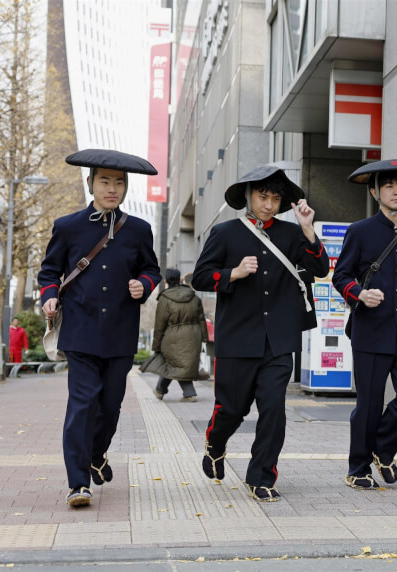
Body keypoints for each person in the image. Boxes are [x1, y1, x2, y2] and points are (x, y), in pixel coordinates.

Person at [191, 165, 329, 502]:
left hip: (279, 339)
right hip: (237, 338)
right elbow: (200, 277)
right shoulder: (225, 233)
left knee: (273, 409)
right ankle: (215, 443)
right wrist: (233, 274)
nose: (268, 204)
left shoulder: (293, 233)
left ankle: (261, 477)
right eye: (262, 196)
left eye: (275, 197)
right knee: (232, 409)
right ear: (249, 197)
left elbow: (321, 269)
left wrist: (308, 229)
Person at [38, 149, 161, 508]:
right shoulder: (68, 226)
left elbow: (151, 269)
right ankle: (78, 483)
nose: (112, 188)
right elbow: (50, 271)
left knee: (110, 405)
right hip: (80, 330)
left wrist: (144, 284)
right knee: (82, 404)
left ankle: (96, 453)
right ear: (90, 183)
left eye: (119, 182)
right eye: (105, 181)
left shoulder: (139, 230)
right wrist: (49, 297)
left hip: (121, 333)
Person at [332, 159, 397, 490]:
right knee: (368, 405)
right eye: (390, 186)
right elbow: (341, 276)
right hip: (370, 331)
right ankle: (358, 467)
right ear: (375, 191)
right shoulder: (359, 231)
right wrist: (360, 295)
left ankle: (383, 450)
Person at [151, 268, 207, 402]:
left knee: (173, 364)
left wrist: (156, 345)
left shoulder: (165, 298)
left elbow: (160, 325)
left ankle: (189, 393)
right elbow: (201, 319)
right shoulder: (193, 296)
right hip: (194, 336)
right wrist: (204, 338)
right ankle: (160, 390)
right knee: (178, 365)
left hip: (172, 337)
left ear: (166, 281)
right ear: (180, 279)